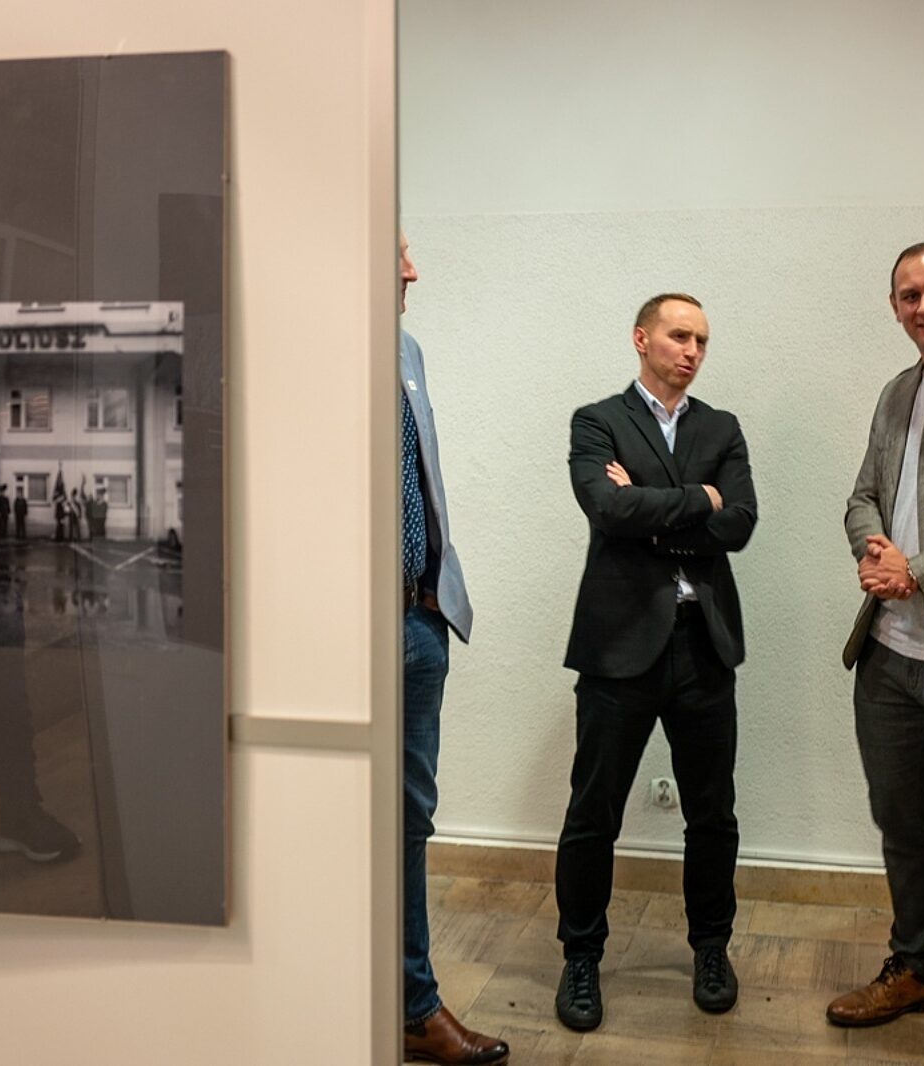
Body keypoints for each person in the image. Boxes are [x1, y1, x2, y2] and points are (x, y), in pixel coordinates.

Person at [553, 293, 757, 1030]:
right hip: (618, 647)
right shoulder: (598, 420)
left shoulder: (721, 427)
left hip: (703, 644)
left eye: (702, 339)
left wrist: (649, 503)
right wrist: (699, 498)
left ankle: (711, 948)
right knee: (593, 812)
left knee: (713, 814)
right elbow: (605, 510)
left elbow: (741, 523)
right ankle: (581, 957)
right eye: (678, 336)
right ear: (642, 339)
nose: (692, 351)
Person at [828, 244, 924, 1029]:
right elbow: (862, 494)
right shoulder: (898, 392)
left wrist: (915, 571)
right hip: (889, 655)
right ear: (893, 307)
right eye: (909, 295)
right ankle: (919, 966)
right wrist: (875, 553)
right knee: (903, 825)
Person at [396, 232, 508, 1066]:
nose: (412, 269)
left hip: (419, 619)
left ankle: (409, 1004)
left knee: (408, 819)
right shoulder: (300, 353)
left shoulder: (405, 350)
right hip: (343, 632)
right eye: (394, 252)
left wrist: (432, 603)